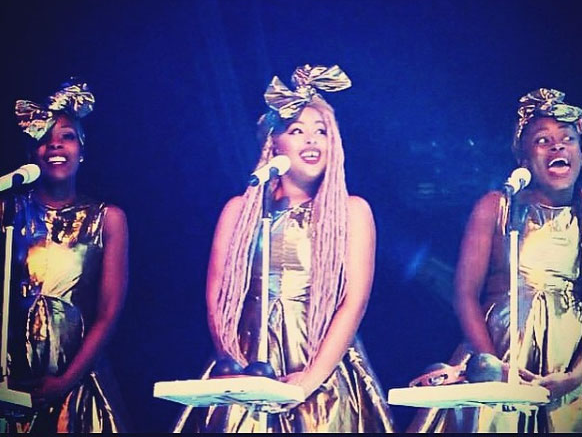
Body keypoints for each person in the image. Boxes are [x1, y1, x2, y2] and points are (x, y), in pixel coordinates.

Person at [174, 64, 395, 432]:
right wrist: (232, 361)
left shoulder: (352, 211)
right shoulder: (240, 210)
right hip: (248, 358)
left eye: (321, 132)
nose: (311, 140)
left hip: (319, 362)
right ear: (274, 143)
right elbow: (217, 296)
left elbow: (354, 301)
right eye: (297, 131)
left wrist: (309, 380)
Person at [409, 88, 582, 433]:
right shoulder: (497, 206)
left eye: (568, 139)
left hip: (567, 359)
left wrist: (574, 377)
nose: (557, 147)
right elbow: (465, 294)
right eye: (543, 141)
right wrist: (493, 367)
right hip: (499, 347)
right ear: (524, 159)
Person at [0, 80, 129, 432]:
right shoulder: (8, 210)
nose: (55, 144)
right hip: (13, 383)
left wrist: (64, 382)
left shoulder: (108, 218)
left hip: (78, 386)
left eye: (67, 136)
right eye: (45, 137)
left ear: (82, 151)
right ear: (32, 153)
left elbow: (108, 313)